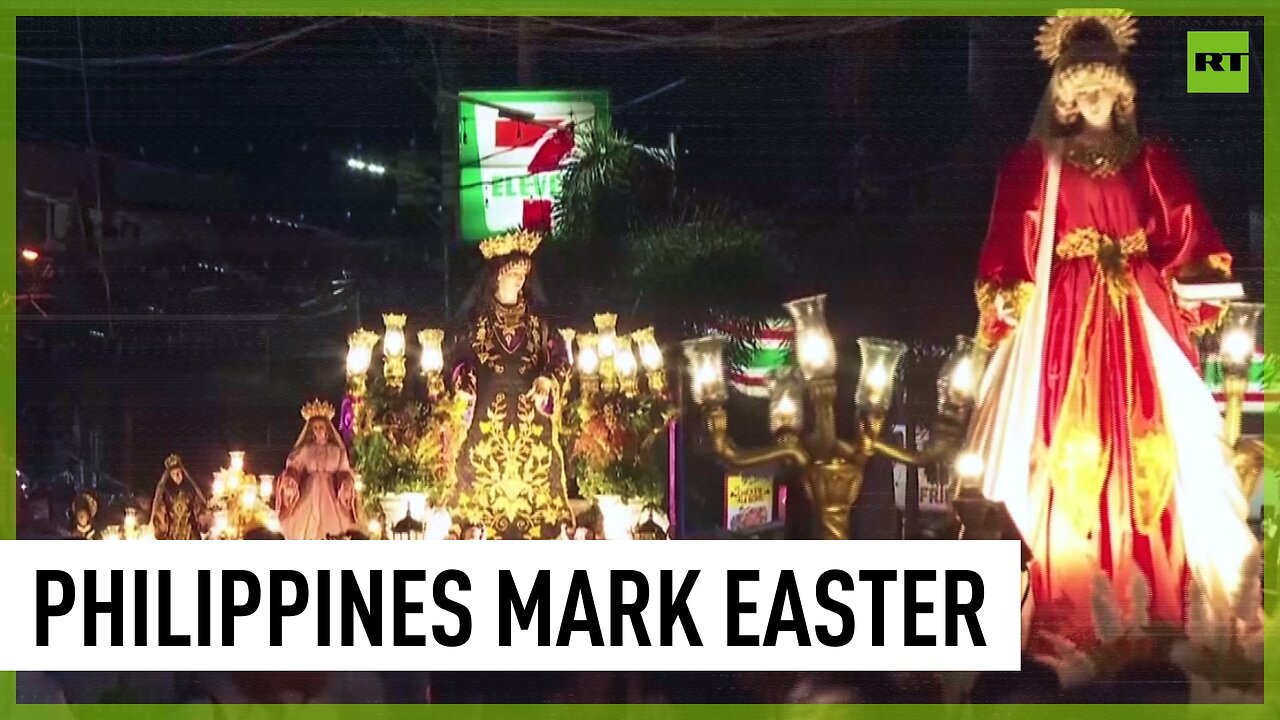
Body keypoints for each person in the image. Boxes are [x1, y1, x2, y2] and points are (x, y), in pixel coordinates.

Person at [964, 13, 1258, 650]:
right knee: (1070, 448)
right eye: (1082, 89)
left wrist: (1198, 285)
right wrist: (1007, 303)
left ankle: (1152, 585)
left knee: (1149, 446)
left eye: (1104, 89)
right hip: (1068, 322)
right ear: (1065, 96)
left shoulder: (1151, 160)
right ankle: (1070, 591)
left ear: (1121, 93)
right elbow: (1013, 247)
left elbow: (1188, 235)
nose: (1094, 99)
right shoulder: (1037, 165)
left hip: (1138, 315)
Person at [446, 229, 574, 539]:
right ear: (497, 278)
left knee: (539, 490)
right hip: (488, 417)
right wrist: (466, 380)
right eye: (512, 274)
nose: (518, 281)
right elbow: (458, 360)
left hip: (531, 418)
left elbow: (561, 358)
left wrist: (546, 378)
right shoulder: (477, 325)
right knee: (478, 484)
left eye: (522, 275)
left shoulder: (538, 325)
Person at [275, 400, 362, 540]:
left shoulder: (337, 451)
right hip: (309, 491)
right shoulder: (305, 450)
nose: (318, 430)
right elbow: (294, 467)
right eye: (315, 428)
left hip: (331, 493)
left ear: (327, 429)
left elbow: (344, 471)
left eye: (321, 427)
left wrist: (345, 482)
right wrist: (290, 480)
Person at [150, 454, 207, 540]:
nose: (177, 476)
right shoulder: (166, 492)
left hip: (190, 532)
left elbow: (198, 508)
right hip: (172, 533)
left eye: (179, 473)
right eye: (173, 474)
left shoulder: (190, 490)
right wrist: (162, 526)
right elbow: (160, 511)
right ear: (170, 476)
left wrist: (202, 519)